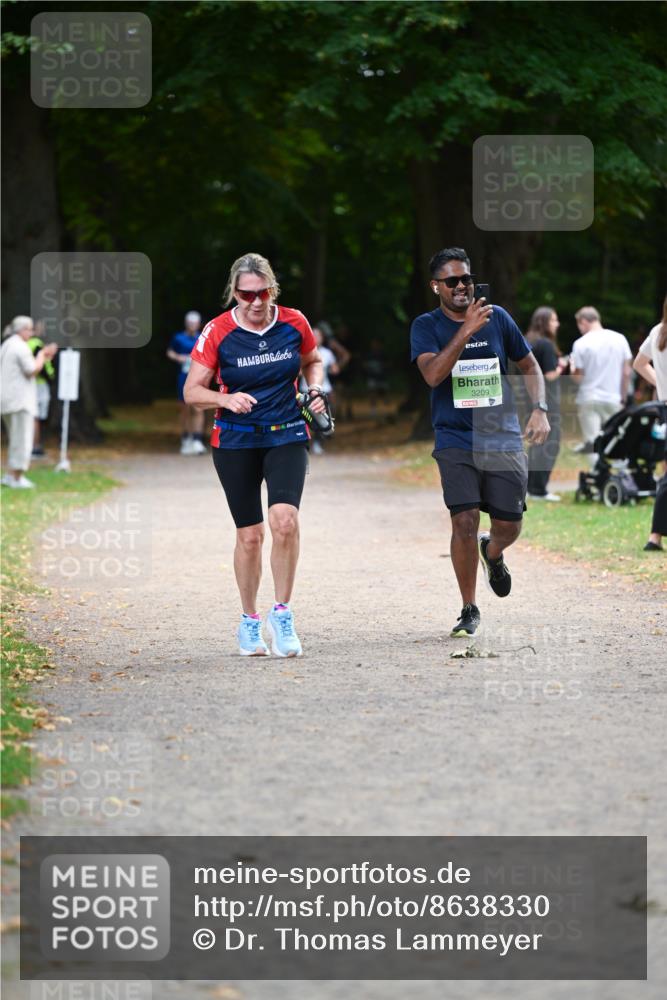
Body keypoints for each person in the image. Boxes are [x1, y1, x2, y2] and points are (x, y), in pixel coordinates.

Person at [184, 252, 325, 657]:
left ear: (273, 289)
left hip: (286, 433)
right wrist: (224, 400)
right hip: (236, 441)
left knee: (285, 522)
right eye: (247, 295)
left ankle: (282, 614)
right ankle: (249, 620)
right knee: (250, 536)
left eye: (263, 292)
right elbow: (192, 391)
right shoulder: (218, 331)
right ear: (235, 292)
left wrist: (314, 389)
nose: (256, 302)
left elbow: (312, 361)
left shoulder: (294, 322)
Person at [410, 247, 549, 638]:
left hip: (501, 436)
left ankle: (495, 551)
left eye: (466, 279)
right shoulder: (426, 326)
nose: (461, 286)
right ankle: (469, 607)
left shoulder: (498, 318)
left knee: (509, 524)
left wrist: (540, 408)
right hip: (454, 437)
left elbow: (529, 365)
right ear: (435, 286)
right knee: (464, 519)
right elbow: (433, 375)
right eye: (452, 280)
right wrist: (466, 330)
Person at [1, 316, 58, 488]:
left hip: (7, 400)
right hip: (20, 401)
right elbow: (32, 369)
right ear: (23, 329)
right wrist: (42, 355)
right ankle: (17, 477)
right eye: (30, 329)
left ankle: (10, 475)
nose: (32, 333)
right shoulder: (20, 347)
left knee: (15, 440)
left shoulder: (7, 344)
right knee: (23, 440)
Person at [570, 307, 632, 460]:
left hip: (588, 397)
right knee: (617, 438)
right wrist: (623, 397)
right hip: (613, 398)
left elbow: (578, 378)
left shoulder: (580, 343)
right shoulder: (620, 339)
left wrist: (572, 367)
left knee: (592, 441)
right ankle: (621, 471)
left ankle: (597, 472)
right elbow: (626, 373)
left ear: (583, 321)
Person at [632, 296, 667, 551]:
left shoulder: (658, 331)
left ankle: (655, 536)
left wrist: (661, 384)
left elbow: (639, 364)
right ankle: (654, 536)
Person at [525, 306, 567, 502]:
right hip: (547, 401)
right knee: (550, 443)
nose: (557, 324)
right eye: (553, 320)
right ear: (544, 322)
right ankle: (539, 489)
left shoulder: (528, 341)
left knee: (536, 443)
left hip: (529, 399)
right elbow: (550, 375)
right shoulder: (546, 345)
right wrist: (562, 365)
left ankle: (529, 487)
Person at [166, 311, 207, 455]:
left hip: (199, 377)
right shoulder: (178, 338)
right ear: (186, 323)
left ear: (199, 324)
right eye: (190, 323)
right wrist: (178, 357)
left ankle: (197, 439)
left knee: (198, 407)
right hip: (183, 376)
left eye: (195, 323)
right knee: (184, 409)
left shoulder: (203, 337)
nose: (192, 325)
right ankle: (186, 438)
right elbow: (170, 352)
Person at [300, 325, 338, 455]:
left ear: (322, 338)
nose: (316, 338)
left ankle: (318, 442)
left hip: (324, 389)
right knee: (305, 418)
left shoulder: (327, 353)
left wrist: (333, 369)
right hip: (305, 390)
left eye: (318, 335)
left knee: (320, 418)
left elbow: (335, 369)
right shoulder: (301, 350)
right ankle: (304, 443)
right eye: (313, 335)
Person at [28, 319, 56, 457]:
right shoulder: (37, 344)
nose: (43, 330)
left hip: (32, 384)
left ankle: (32, 445)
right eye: (40, 327)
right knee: (36, 417)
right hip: (38, 385)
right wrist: (50, 378)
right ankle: (35, 446)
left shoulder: (28, 344)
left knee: (34, 416)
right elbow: (39, 367)